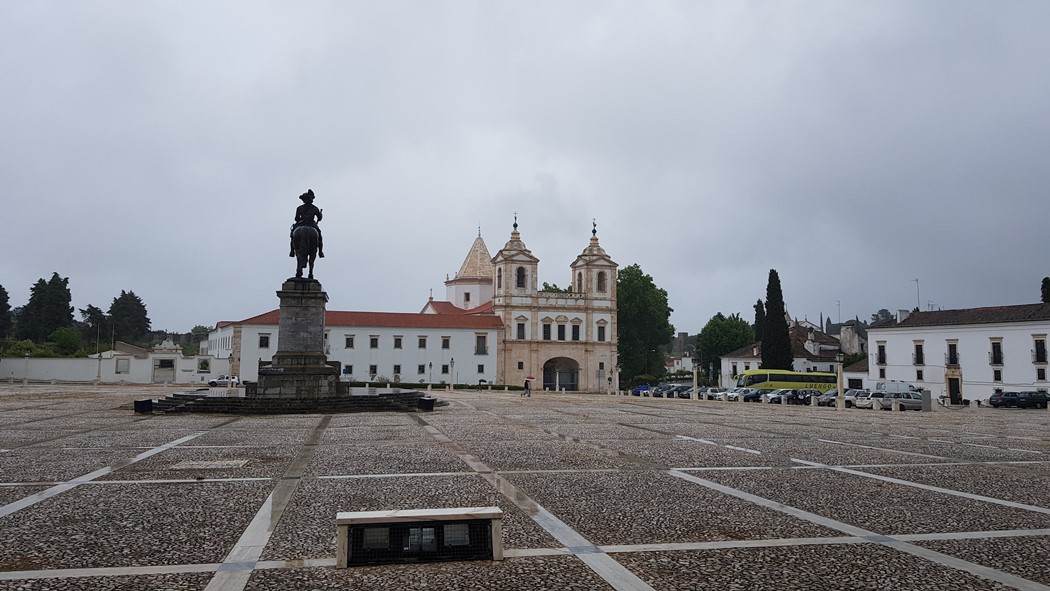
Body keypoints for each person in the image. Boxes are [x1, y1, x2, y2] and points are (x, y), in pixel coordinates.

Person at [290, 189, 325, 258]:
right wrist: (320, 215)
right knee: (319, 237)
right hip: (312, 224)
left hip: (301, 224)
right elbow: (320, 218)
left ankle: (292, 251)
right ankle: (320, 252)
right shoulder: (315, 208)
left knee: (292, 235)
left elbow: (296, 218)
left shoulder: (299, 208)